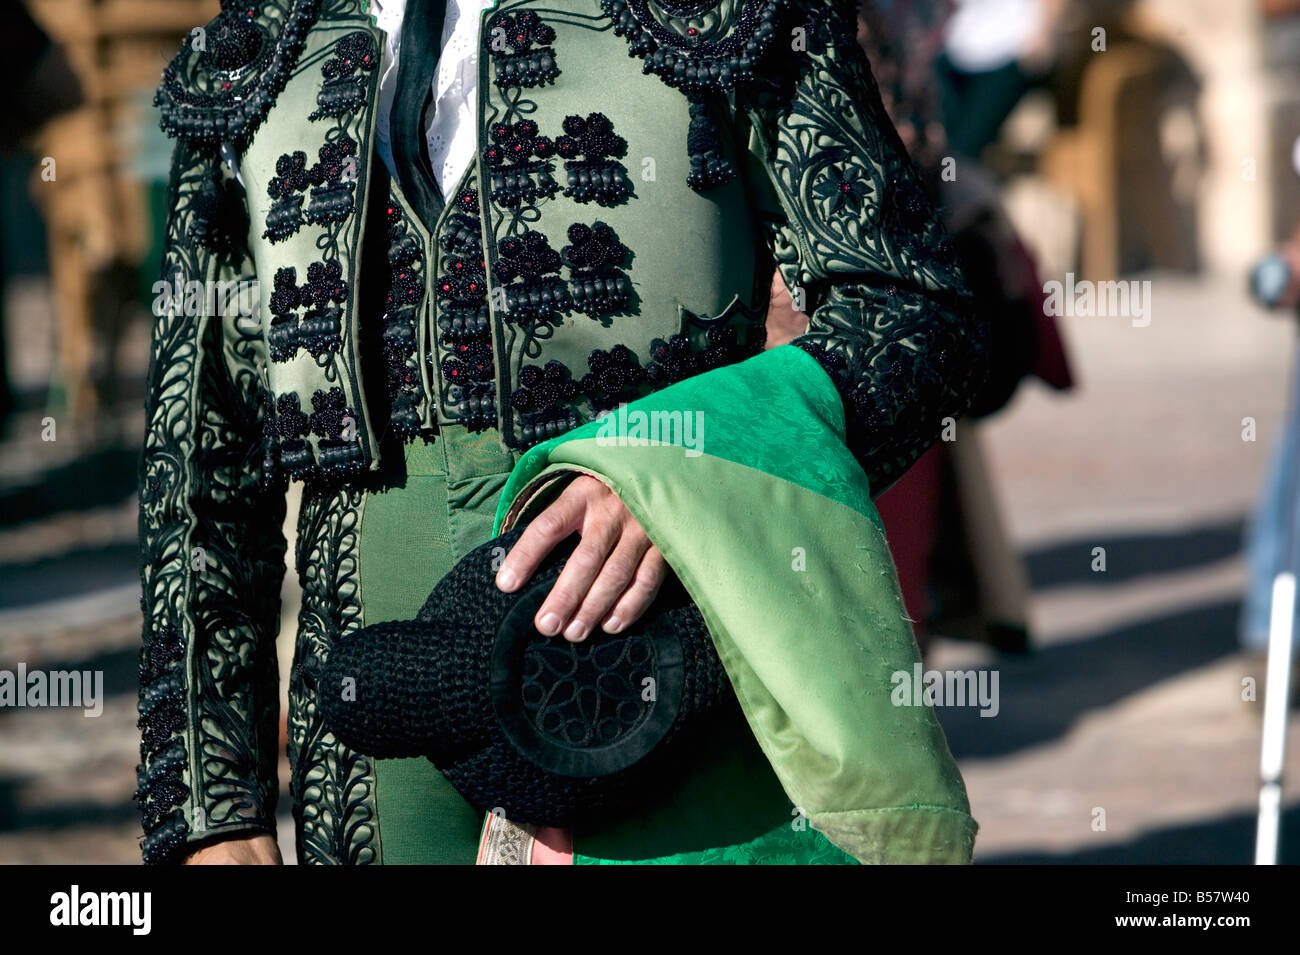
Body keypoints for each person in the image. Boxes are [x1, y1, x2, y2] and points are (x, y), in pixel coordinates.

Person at [136, 0, 987, 865]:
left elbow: (916, 316)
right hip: (372, 764)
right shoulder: (259, 43)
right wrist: (214, 811)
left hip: (658, 694)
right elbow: (199, 467)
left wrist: (676, 471)